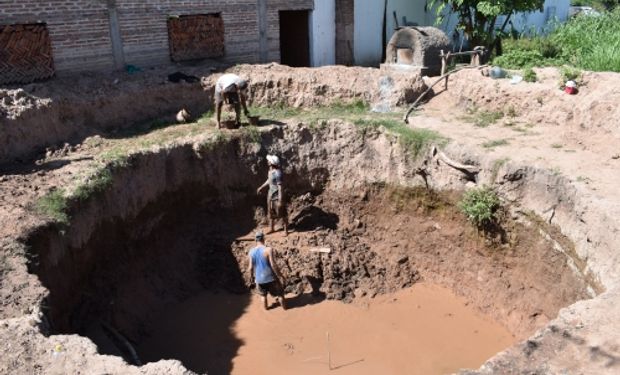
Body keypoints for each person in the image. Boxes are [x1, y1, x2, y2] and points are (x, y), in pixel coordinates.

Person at [247, 231, 287, 310]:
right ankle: (285, 309)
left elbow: (250, 267)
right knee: (280, 294)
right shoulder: (268, 249)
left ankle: (266, 309)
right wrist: (280, 276)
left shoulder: (251, 251)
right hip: (271, 277)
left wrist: (251, 277)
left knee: (263, 295)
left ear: (255, 240)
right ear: (263, 238)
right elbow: (273, 265)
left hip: (259, 279)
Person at [257, 154, 288, 235]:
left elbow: (280, 187)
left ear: (271, 163)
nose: (267, 161)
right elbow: (269, 180)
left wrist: (280, 200)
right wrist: (261, 187)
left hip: (277, 196)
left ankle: (285, 230)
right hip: (270, 195)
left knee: (282, 212)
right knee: (270, 212)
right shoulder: (270, 171)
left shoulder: (278, 173)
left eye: (269, 161)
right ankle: (271, 228)